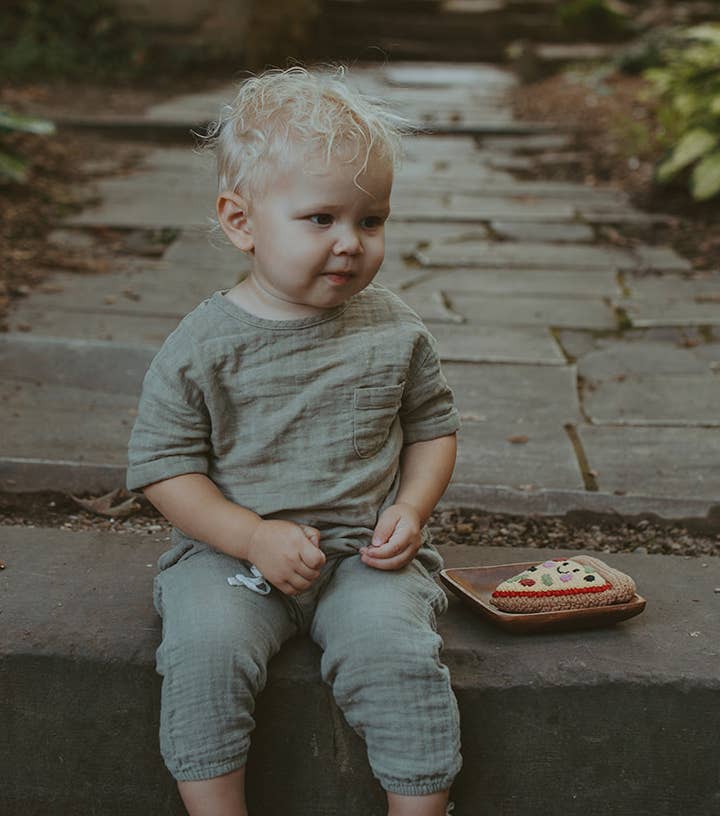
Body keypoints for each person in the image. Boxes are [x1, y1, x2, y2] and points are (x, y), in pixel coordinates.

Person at [127, 66, 461, 816]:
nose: (350, 243)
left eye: (370, 221)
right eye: (320, 219)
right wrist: (250, 536)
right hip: (228, 559)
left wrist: (410, 508)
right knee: (205, 651)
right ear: (241, 222)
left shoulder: (395, 328)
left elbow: (432, 428)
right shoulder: (203, 346)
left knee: (396, 652)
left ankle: (419, 806)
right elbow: (165, 469)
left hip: (364, 554)